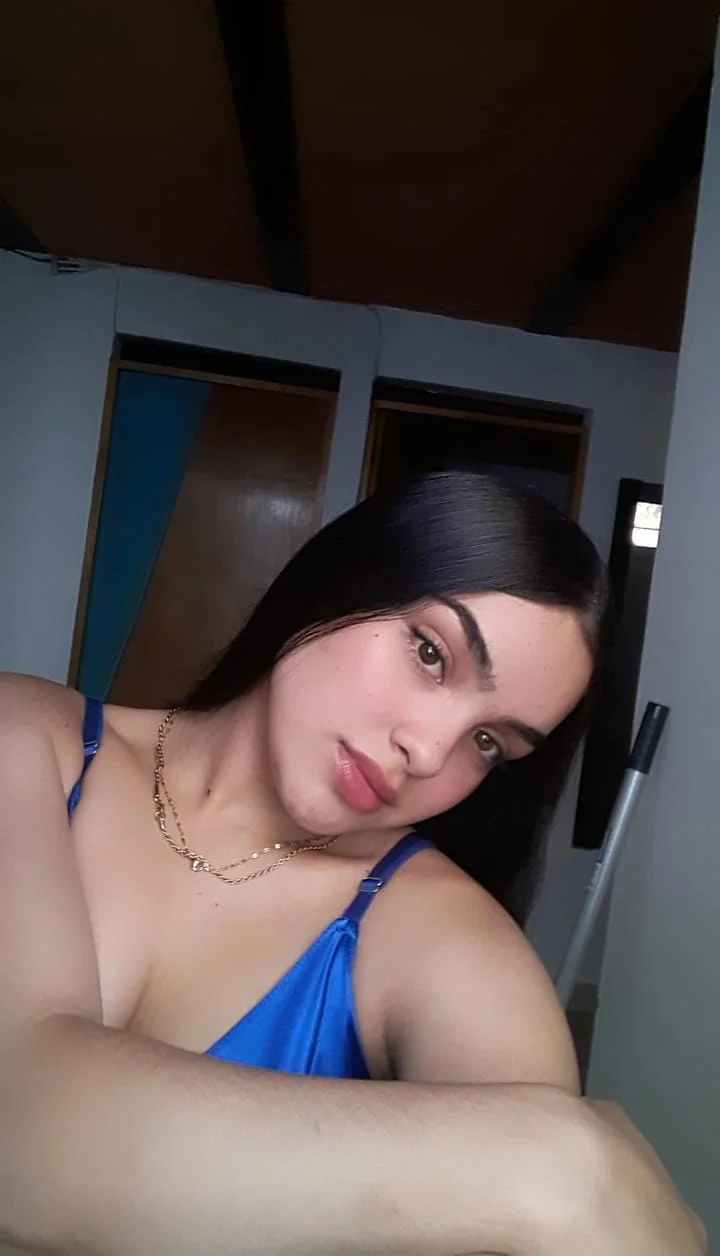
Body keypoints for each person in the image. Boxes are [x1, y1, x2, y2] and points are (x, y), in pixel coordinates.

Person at [0, 472, 704, 1255]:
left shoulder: (446, 938)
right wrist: (542, 1164)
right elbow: (18, 1121)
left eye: (488, 742)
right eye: (432, 654)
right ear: (347, 577)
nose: (428, 751)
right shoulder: (24, 738)